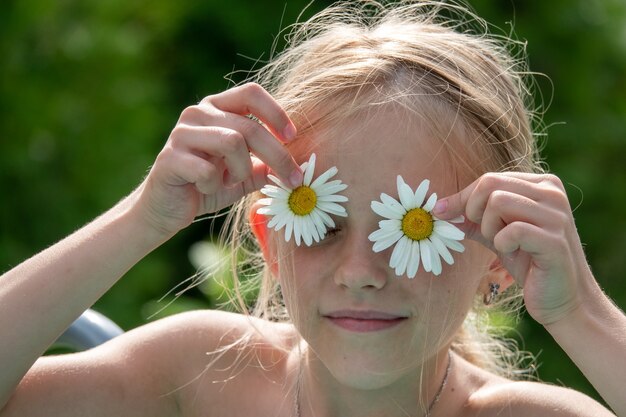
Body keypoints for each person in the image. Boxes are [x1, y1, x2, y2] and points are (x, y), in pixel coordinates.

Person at [1, 1, 624, 416]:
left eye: (413, 228)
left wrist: (581, 314)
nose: (359, 269)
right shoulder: (196, 379)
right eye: (320, 219)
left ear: (499, 255)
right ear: (269, 238)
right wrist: (141, 220)